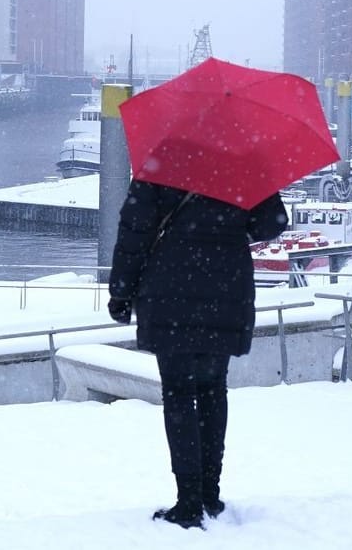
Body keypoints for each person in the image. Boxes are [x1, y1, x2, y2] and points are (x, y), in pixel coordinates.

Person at [107, 177, 288, 529]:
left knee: (178, 393)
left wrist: (121, 293)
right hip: (225, 289)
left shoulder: (159, 165)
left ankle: (188, 500)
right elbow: (272, 223)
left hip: (170, 290)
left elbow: (134, 234)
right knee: (212, 390)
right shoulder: (241, 162)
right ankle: (209, 494)